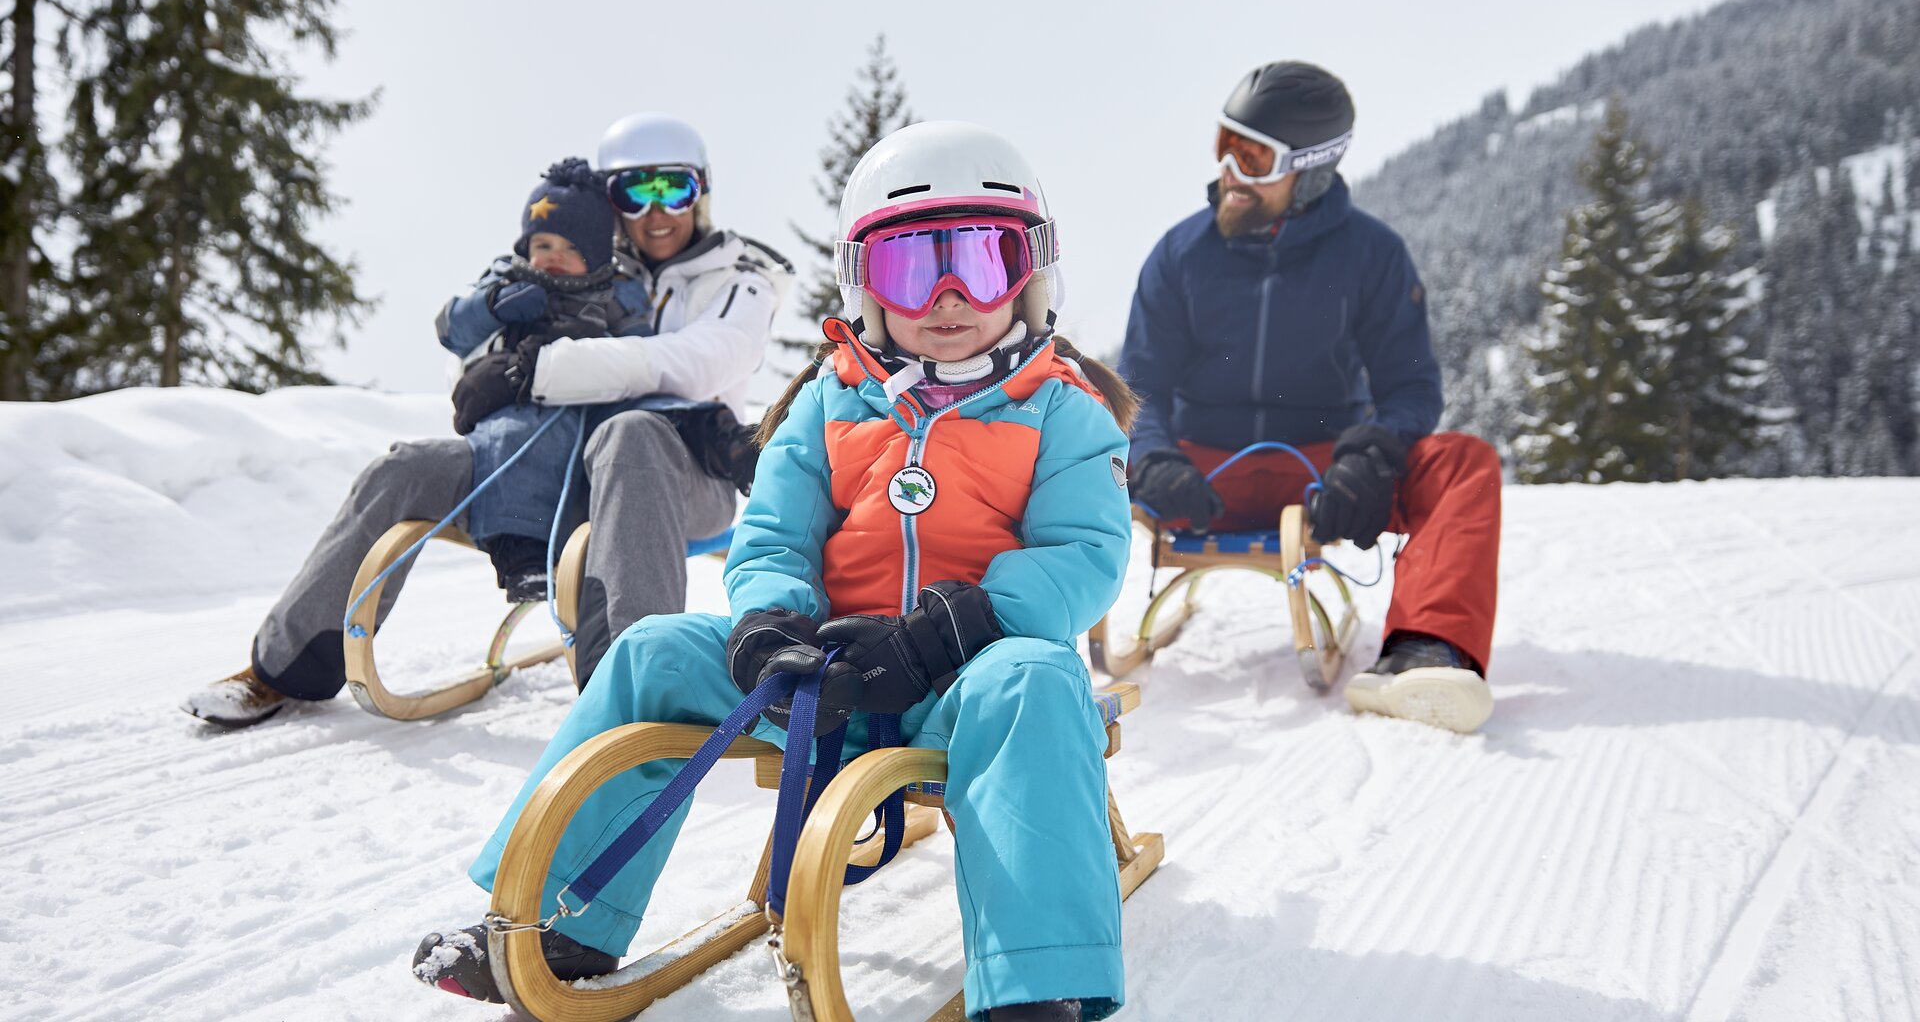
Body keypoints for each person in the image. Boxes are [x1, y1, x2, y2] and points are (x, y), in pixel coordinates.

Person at [411, 122, 1141, 1022]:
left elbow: (1084, 554)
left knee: (1037, 679)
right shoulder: (830, 400)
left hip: (970, 680)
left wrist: (954, 628)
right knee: (650, 653)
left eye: (983, 264)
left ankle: (1037, 982)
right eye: (912, 269)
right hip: (825, 678)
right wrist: (769, 622)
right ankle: (556, 923)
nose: (948, 297)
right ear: (865, 284)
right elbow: (773, 536)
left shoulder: (1063, 409)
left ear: (1029, 275)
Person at [182, 113, 791, 727]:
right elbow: (467, 362)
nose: (655, 212)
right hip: (557, 470)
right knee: (408, 467)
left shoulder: (742, 280)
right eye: (635, 192)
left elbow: (698, 365)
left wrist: (542, 368)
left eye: (673, 189)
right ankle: (281, 669)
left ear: (701, 190)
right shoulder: (576, 262)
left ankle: (632, 691)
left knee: (630, 434)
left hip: (684, 474)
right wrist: (494, 366)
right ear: (609, 203)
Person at [1118, 61, 1502, 735]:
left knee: (1461, 463)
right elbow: (1138, 387)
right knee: (1053, 444)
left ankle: (1426, 649)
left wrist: (1372, 456)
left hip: (1324, 475)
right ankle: (1003, 644)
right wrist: (1152, 459)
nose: (1230, 171)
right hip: (1200, 472)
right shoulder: (1180, 255)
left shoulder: (1372, 255)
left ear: (1313, 169)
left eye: (1253, 158)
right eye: (1225, 145)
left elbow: (1410, 386)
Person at [451, 156, 625, 601]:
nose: (554, 258)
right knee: (513, 436)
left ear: (597, 256)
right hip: (503, 407)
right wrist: (493, 306)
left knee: (551, 442)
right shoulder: (505, 279)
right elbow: (451, 330)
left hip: (576, 411)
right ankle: (521, 557)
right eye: (543, 244)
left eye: (572, 249)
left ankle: (548, 558)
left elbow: (638, 350)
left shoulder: (609, 299)